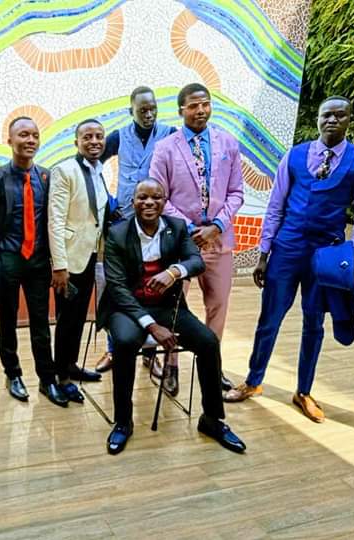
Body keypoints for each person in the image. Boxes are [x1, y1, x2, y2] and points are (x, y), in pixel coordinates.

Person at [224, 96, 354, 422]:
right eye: (327, 115)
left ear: (349, 120)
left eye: (340, 115)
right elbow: (275, 206)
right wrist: (264, 253)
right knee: (269, 318)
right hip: (287, 248)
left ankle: (304, 391)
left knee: (314, 322)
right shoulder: (294, 156)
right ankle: (253, 381)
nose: (332, 120)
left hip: (326, 255)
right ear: (318, 119)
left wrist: (349, 250)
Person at [99, 179, 246, 455]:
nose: (149, 203)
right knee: (125, 342)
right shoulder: (117, 233)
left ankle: (212, 419)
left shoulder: (176, 228)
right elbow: (117, 288)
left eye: (156, 197)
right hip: (127, 308)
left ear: (165, 202)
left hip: (167, 307)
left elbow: (196, 262)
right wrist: (152, 326)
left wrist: (174, 272)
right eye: (142, 197)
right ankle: (123, 421)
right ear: (133, 202)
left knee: (208, 342)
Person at [149, 83, 242, 396]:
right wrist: (190, 229)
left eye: (206, 104)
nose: (201, 110)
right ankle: (171, 365)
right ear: (181, 110)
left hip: (219, 240)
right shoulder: (165, 148)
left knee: (218, 306)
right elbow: (159, 196)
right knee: (175, 306)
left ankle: (211, 366)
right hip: (181, 242)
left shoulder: (228, 143)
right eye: (193, 106)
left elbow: (236, 192)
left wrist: (216, 226)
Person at [0, 117, 68, 407]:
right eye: (23, 135)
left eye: (34, 135)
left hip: (38, 261)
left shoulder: (47, 177)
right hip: (8, 258)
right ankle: (13, 374)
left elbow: (54, 220)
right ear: (9, 140)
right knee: (8, 322)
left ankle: (47, 379)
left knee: (41, 323)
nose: (30, 140)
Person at [94, 85, 176, 373]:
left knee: (151, 286)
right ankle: (113, 349)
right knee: (117, 285)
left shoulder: (169, 134)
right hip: (124, 220)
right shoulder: (118, 137)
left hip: (155, 222)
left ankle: (150, 354)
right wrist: (109, 202)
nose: (149, 114)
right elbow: (94, 166)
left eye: (153, 108)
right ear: (132, 111)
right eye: (143, 110)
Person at [48, 118, 114, 402]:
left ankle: (71, 365)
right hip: (69, 260)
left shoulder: (99, 170)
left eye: (99, 136)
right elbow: (55, 221)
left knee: (78, 318)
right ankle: (61, 376)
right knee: (66, 320)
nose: (94, 141)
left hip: (90, 256)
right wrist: (59, 266)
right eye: (87, 137)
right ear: (77, 142)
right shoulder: (64, 170)